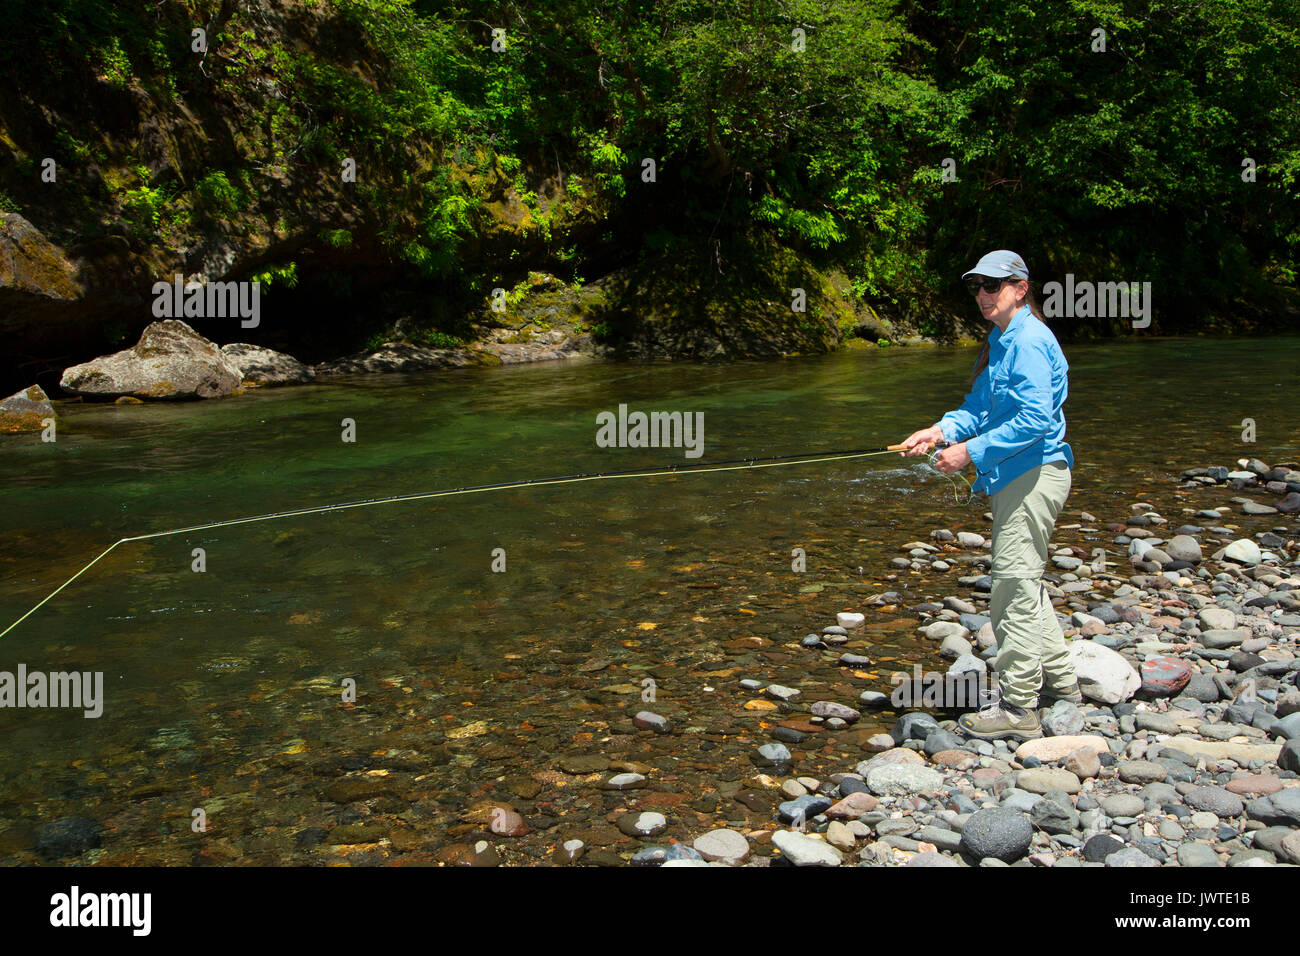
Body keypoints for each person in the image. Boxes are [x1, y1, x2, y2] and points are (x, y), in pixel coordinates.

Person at [900, 250, 1079, 740]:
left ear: (1021, 288)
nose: (982, 294)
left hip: (1034, 474)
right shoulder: (1002, 339)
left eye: (992, 285)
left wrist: (969, 454)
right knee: (1025, 582)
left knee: (1011, 590)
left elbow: (1034, 420)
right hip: (1015, 476)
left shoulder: (1030, 341)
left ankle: (1020, 709)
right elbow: (979, 408)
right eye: (977, 285)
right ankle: (1063, 685)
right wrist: (939, 432)